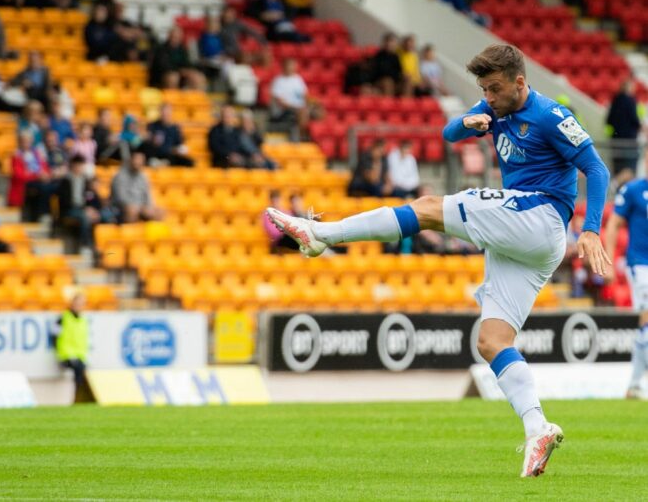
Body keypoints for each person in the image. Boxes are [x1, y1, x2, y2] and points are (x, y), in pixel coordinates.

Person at [267, 44, 612, 478]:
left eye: (495, 88)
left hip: (540, 217)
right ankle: (537, 427)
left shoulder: (552, 116)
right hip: (520, 240)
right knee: (491, 341)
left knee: (430, 207)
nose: (488, 96)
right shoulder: (493, 105)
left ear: (520, 83)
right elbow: (449, 133)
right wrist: (466, 123)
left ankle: (321, 234)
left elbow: (597, 169)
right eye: (483, 89)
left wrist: (592, 228)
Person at [603, 157, 648, 399]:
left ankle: (634, 385)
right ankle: (635, 384)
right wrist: (609, 261)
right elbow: (613, 224)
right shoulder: (633, 190)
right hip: (641, 266)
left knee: (645, 326)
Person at [57, 155, 103, 252]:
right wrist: (84, 209)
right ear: (72, 166)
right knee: (84, 217)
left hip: (84, 209)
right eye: (77, 165)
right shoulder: (65, 181)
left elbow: (90, 197)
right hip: (70, 209)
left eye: (81, 166)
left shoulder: (86, 180)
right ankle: (85, 245)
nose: (79, 168)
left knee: (102, 216)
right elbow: (64, 201)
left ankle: (98, 246)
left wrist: (91, 209)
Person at [52, 292, 89, 403]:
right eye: (77, 303)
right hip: (66, 355)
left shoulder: (83, 320)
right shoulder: (63, 318)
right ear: (72, 303)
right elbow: (54, 334)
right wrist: (58, 352)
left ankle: (80, 398)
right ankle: (77, 398)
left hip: (79, 355)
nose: (79, 306)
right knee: (79, 370)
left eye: (82, 304)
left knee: (83, 370)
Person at [111, 151, 163, 223]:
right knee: (132, 210)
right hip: (121, 207)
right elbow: (120, 197)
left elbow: (147, 195)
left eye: (140, 160)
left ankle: (151, 233)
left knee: (160, 212)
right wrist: (138, 207)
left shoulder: (143, 177)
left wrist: (149, 207)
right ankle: (129, 232)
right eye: (136, 159)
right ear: (131, 160)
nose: (138, 162)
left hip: (140, 206)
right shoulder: (120, 175)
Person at [606, 78, 642, 175]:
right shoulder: (631, 101)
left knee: (617, 167)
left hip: (616, 138)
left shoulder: (615, 100)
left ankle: (616, 187)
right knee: (629, 168)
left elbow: (609, 120)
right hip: (629, 140)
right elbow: (634, 119)